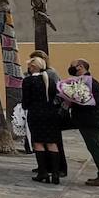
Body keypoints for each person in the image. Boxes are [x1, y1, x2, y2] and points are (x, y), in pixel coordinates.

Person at [68, 59, 99, 187]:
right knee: (94, 148)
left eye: (72, 66)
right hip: (87, 120)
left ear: (80, 67)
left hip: (90, 121)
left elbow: (88, 103)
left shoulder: (90, 83)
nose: (70, 68)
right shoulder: (83, 82)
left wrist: (73, 99)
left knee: (96, 149)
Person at [23, 56, 63, 184]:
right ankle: (55, 173)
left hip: (36, 113)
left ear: (33, 67)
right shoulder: (49, 80)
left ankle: (43, 172)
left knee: (38, 142)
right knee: (52, 142)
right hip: (51, 113)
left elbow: (26, 100)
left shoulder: (29, 81)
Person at [30, 50, 68, 177]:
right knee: (42, 140)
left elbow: (59, 92)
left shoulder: (50, 74)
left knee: (53, 141)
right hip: (45, 111)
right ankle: (45, 166)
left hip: (50, 110)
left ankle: (60, 167)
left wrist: (54, 105)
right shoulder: (36, 75)